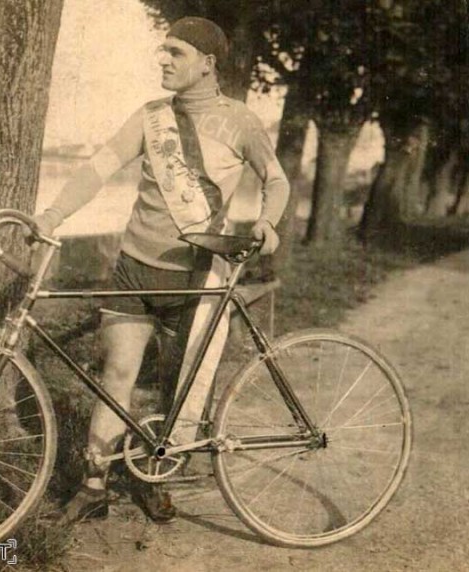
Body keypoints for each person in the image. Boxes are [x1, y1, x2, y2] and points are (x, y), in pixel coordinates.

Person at [33, 16, 290, 524]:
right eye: (163, 51)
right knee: (117, 374)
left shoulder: (241, 121)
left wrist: (266, 222)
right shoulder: (150, 116)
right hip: (135, 268)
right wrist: (53, 215)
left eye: (176, 53)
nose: (164, 60)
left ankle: (154, 477)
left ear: (207, 64)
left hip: (196, 278)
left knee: (180, 389)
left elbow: (277, 180)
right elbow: (99, 168)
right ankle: (94, 485)